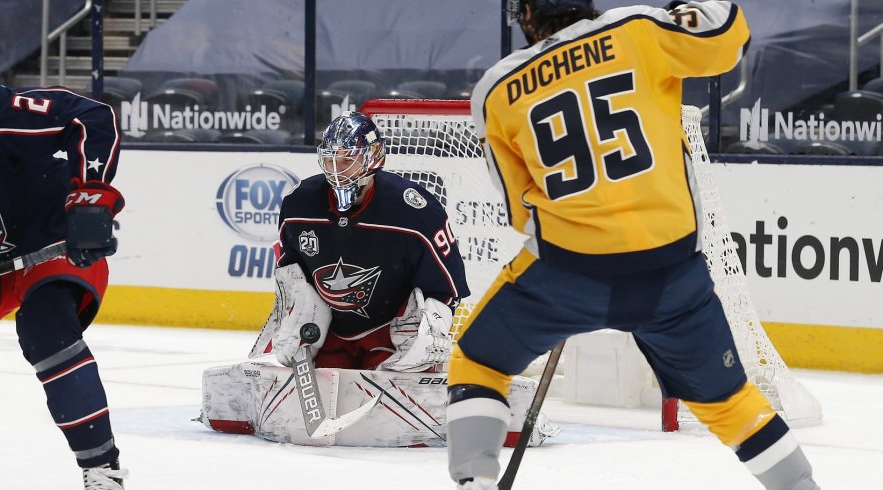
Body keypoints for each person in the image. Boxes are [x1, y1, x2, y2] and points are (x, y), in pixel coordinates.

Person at [447, 2, 820, 489]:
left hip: (566, 274)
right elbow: (729, 35)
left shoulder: (496, 89)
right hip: (670, 274)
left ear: (527, 15)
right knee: (729, 402)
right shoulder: (639, 29)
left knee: (478, 362)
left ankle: (473, 481)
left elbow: (522, 211)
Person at [0, 84, 127, 489]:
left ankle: (102, 472)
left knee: (45, 330)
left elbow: (89, 117)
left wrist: (91, 199)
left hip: (44, 235)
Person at [250, 111, 470, 374]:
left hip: (390, 334)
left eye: (346, 161)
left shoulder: (413, 210)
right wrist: (295, 317)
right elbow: (291, 276)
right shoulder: (299, 203)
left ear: (373, 158)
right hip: (330, 333)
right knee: (320, 375)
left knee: (397, 377)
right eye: (330, 162)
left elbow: (447, 285)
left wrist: (431, 328)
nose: (336, 172)